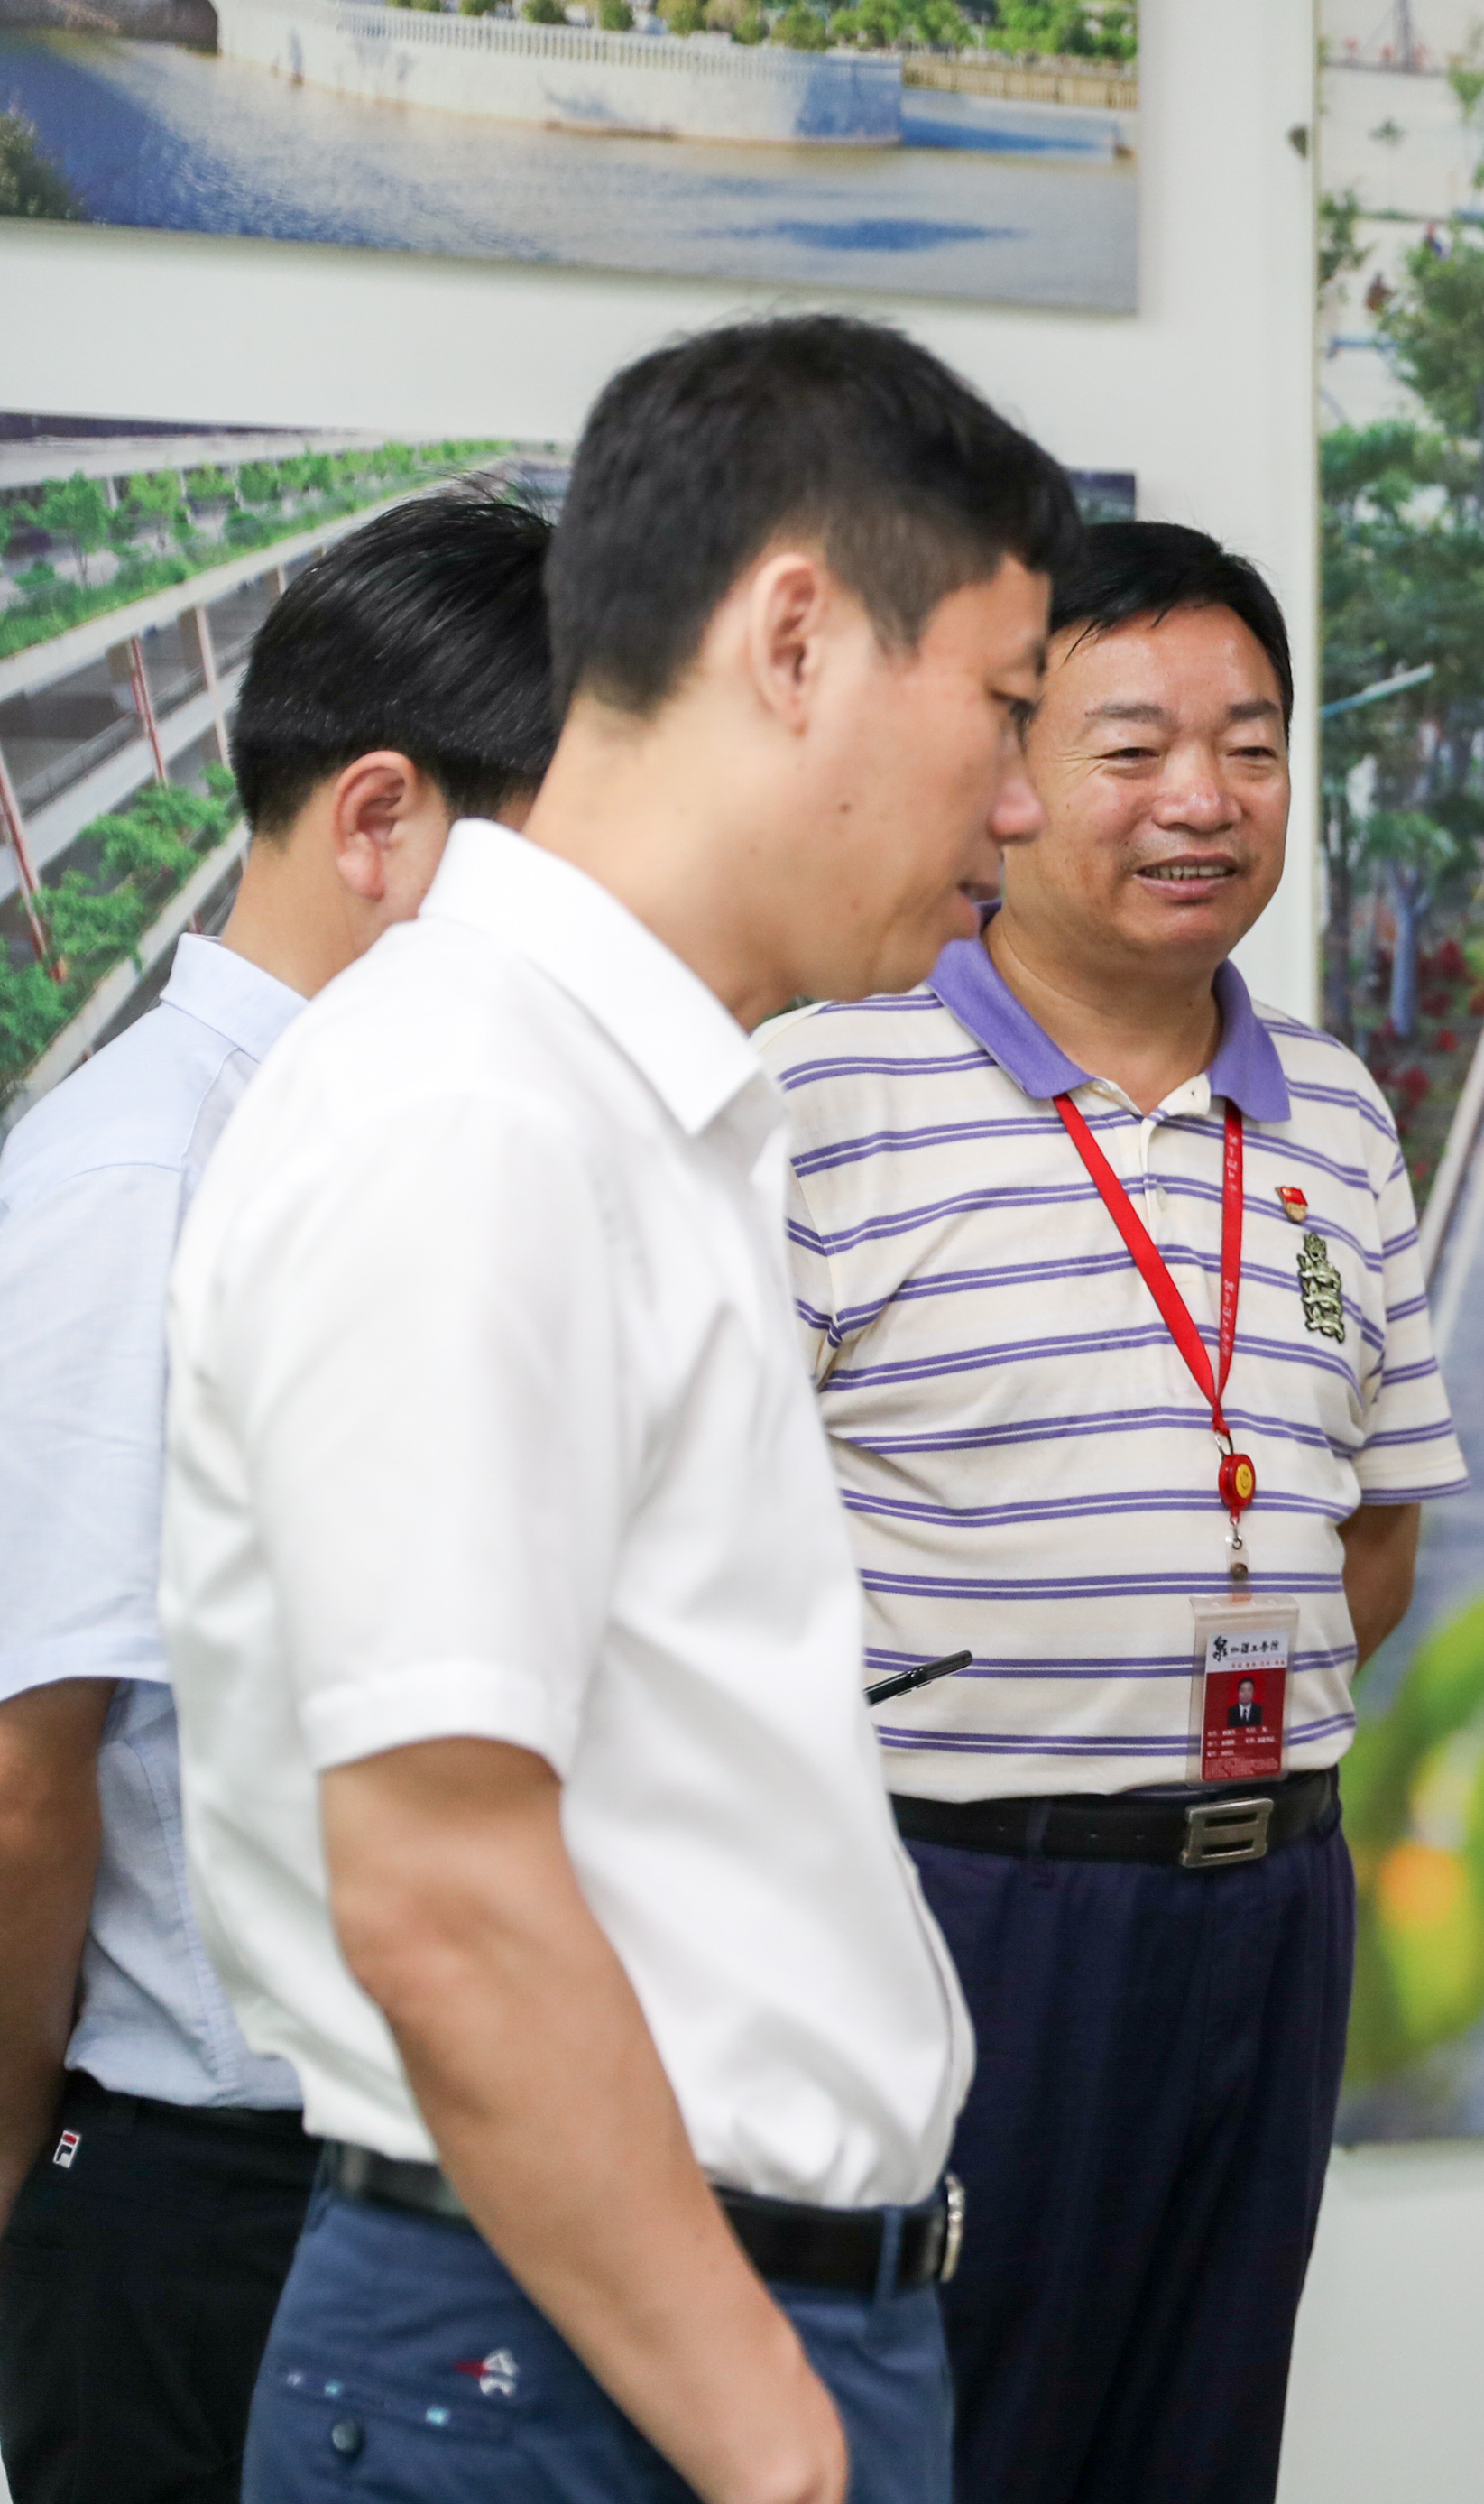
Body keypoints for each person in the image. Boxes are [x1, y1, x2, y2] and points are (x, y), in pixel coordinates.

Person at [160, 313, 1083, 2504]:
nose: (1023, 801)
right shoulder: (471, 1112)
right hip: (581, 2368)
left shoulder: (624, 1104)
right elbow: (442, 1888)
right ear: (795, 636)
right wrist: (774, 2445)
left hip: (657, 2334)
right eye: (1006, 705)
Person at [761, 518, 1462, 2504]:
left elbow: (1373, 1531)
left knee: (1201, 2444)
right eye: (1132, 744)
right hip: (952, 1902)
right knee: (935, 2447)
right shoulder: (821, 1092)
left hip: (1267, 1901)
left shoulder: (1336, 1112)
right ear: (1007, 767)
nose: (1202, 800)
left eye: (1251, 746)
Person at [0, 489, 554, 2504]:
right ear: (379, 819)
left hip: (436, 2172)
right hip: (203, 2193)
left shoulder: (424, 1137)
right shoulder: (142, 1172)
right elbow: (29, 1772)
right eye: (555, 877)